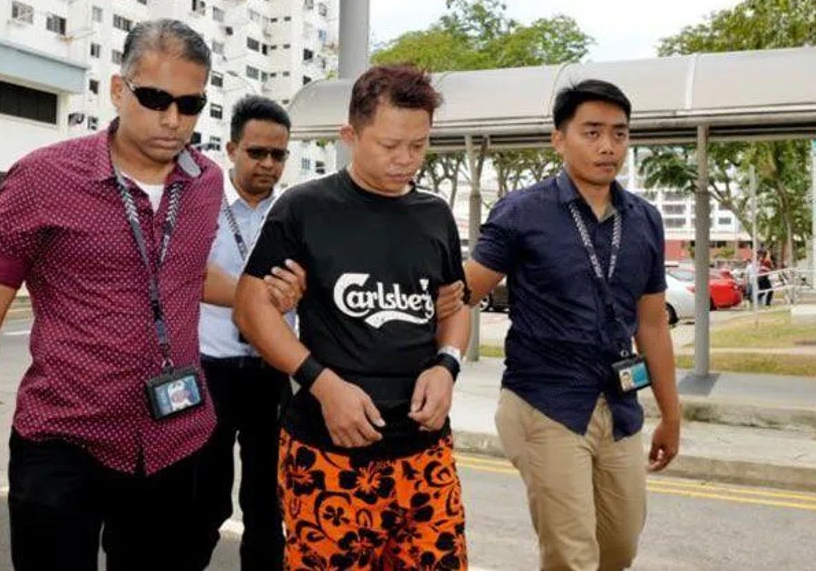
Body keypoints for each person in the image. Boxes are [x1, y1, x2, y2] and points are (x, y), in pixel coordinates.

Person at [0, 20, 300, 571]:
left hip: (177, 443)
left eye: (190, 103)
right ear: (117, 89)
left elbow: (185, 274)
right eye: (154, 98)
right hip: (63, 442)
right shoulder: (42, 180)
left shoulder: (203, 183)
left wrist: (266, 296)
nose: (172, 119)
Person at [233, 64, 471, 569]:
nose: (406, 160)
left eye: (419, 145)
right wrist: (321, 383)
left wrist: (446, 365)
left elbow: (456, 306)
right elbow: (252, 309)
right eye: (389, 146)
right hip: (328, 451)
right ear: (350, 136)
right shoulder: (304, 209)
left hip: (425, 450)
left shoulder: (435, 216)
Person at [439, 79, 681, 571]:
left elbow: (652, 325)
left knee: (619, 546)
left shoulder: (644, 220)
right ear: (559, 138)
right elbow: (464, 291)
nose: (608, 146)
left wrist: (672, 416)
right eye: (592, 132)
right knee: (572, 556)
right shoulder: (523, 211)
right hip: (543, 402)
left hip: (619, 406)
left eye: (619, 133)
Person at [197, 95, 297, 569]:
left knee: (267, 504)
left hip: (271, 373)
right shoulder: (204, 208)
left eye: (279, 155)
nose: (268, 165)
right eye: (257, 152)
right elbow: (189, 277)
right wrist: (258, 297)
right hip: (210, 372)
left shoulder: (298, 215)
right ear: (232, 148)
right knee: (202, 501)